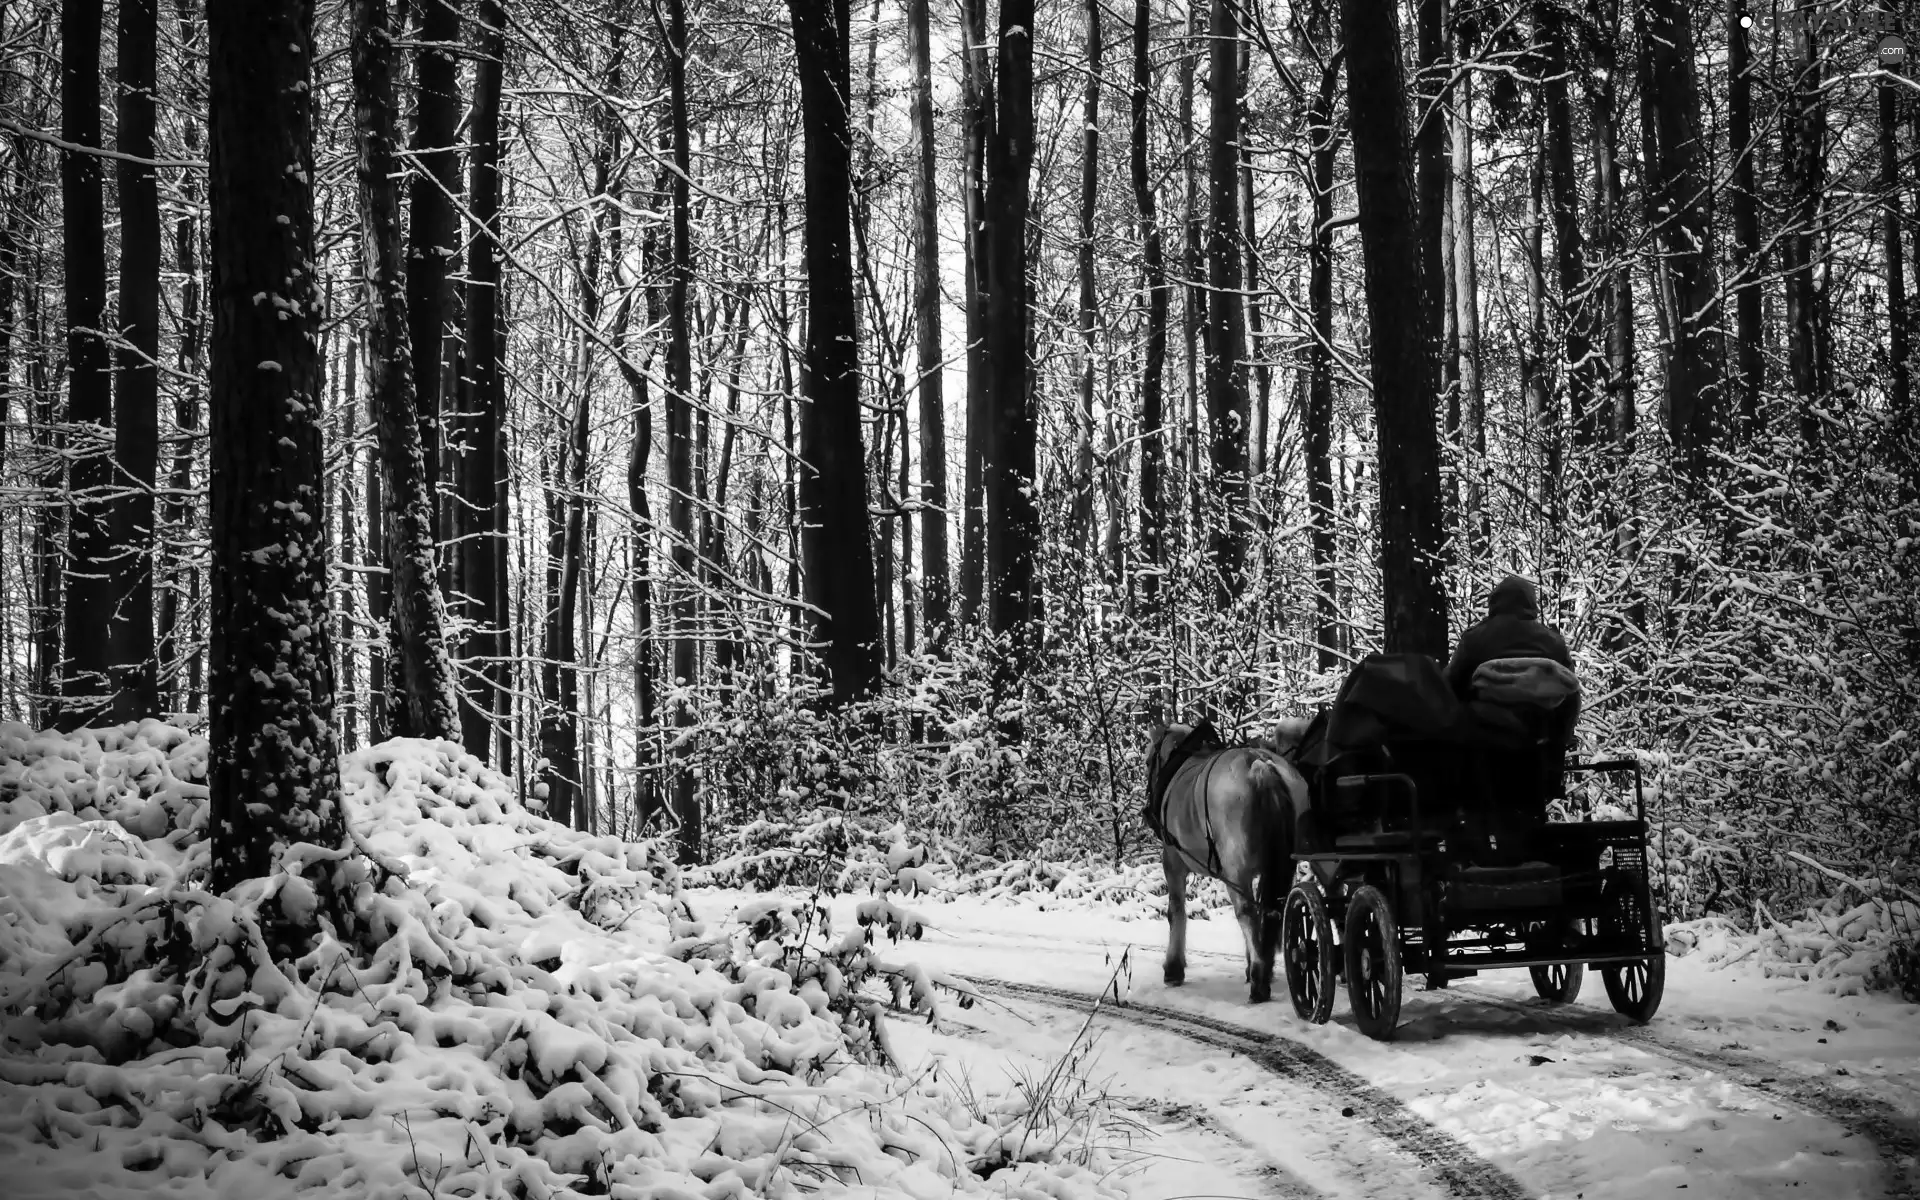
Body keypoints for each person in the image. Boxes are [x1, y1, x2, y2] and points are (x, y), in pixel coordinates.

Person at [1445, 575, 1580, 748]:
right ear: (1531, 604)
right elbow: (1571, 694)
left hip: (1484, 746)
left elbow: (1450, 688)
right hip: (1539, 747)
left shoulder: (1474, 640)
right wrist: (1561, 739)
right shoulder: (1554, 644)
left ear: (1494, 602)